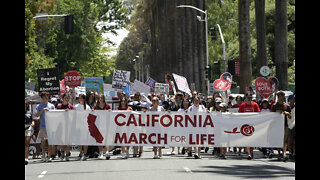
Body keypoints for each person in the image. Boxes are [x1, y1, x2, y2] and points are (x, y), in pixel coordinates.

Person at [238, 93, 260, 160]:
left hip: (253, 125)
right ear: (245, 98)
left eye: (250, 98)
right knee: (247, 139)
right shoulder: (242, 105)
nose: (249, 99)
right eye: (248, 98)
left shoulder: (255, 105)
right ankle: (249, 153)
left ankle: (251, 151)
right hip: (245, 125)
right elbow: (239, 114)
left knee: (252, 140)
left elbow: (258, 113)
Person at [271, 91, 291, 162]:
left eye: (282, 97)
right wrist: (276, 113)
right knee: (278, 139)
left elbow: (290, 116)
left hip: (285, 125)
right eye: (280, 97)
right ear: (278, 97)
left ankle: (284, 153)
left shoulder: (287, 106)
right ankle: (279, 153)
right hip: (277, 125)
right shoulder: (274, 106)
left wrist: (287, 113)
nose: (281, 98)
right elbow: (270, 116)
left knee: (284, 140)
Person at [35, 92, 55, 162]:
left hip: (50, 126)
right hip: (42, 126)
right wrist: (43, 110)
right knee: (43, 140)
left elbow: (55, 115)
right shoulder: (39, 106)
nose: (47, 97)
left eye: (47, 96)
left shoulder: (52, 106)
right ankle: (43, 153)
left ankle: (49, 155)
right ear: (42, 97)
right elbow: (36, 115)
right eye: (45, 96)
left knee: (49, 141)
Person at [56, 93, 75, 161]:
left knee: (67, 142)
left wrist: (69, 112)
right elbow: (56, 115)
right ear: (63, 98)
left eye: (68, 98)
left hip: (68, 126)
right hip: (61, 126)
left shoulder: (70, 106)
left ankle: (67, 155)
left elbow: (74, 115)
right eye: (65, 98)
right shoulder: (59, 106)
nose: (66, 99)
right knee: (62, 142)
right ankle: (62, 152)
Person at [93, 94, 112, 160]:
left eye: (102, 98)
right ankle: (101, 153)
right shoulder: (96, 106)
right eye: (99, 98)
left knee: (106, 139)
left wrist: (110, 111)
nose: (100, 99)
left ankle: (107, 152)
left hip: (106, 124)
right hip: (98, 124)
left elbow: (111, 113)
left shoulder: (107, 106)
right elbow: (93, 114)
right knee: (99, 139)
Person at [74, 94, 91, 161]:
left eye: (82, 98)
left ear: (84, 99)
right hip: (78, 126)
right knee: (80, 141)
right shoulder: (76, 107)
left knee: (85, 141)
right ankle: (81, 152)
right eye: (79, 98)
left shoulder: (87, 107)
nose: (80, 99)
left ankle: (85, 154)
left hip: (85, 126)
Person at [25, 99, 35, 165]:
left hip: (28, 128)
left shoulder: (29, 113)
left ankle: (26, 158)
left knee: (27, 143)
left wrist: (33, 123)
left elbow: (32, 120)